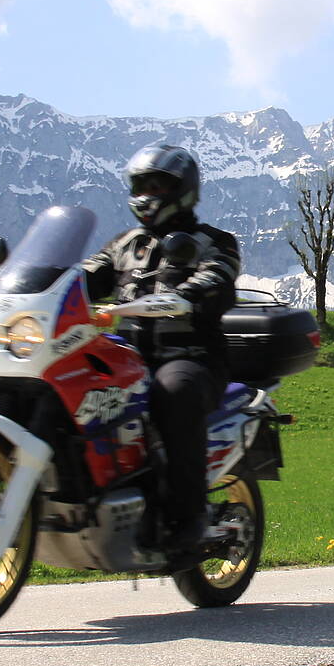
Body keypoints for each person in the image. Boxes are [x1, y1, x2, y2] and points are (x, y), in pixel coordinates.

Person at [81, 144, 241, 555]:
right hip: (126, 356)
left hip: (192, 358)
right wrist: (46, 281)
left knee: (174, 392)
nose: (149, 193)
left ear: (183, 190)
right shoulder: (124, 243)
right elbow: (88, 274)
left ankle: (188, 518)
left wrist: (188, 293)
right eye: (142, 185)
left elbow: (218, 277)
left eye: (160, 185)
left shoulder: (215, 241)